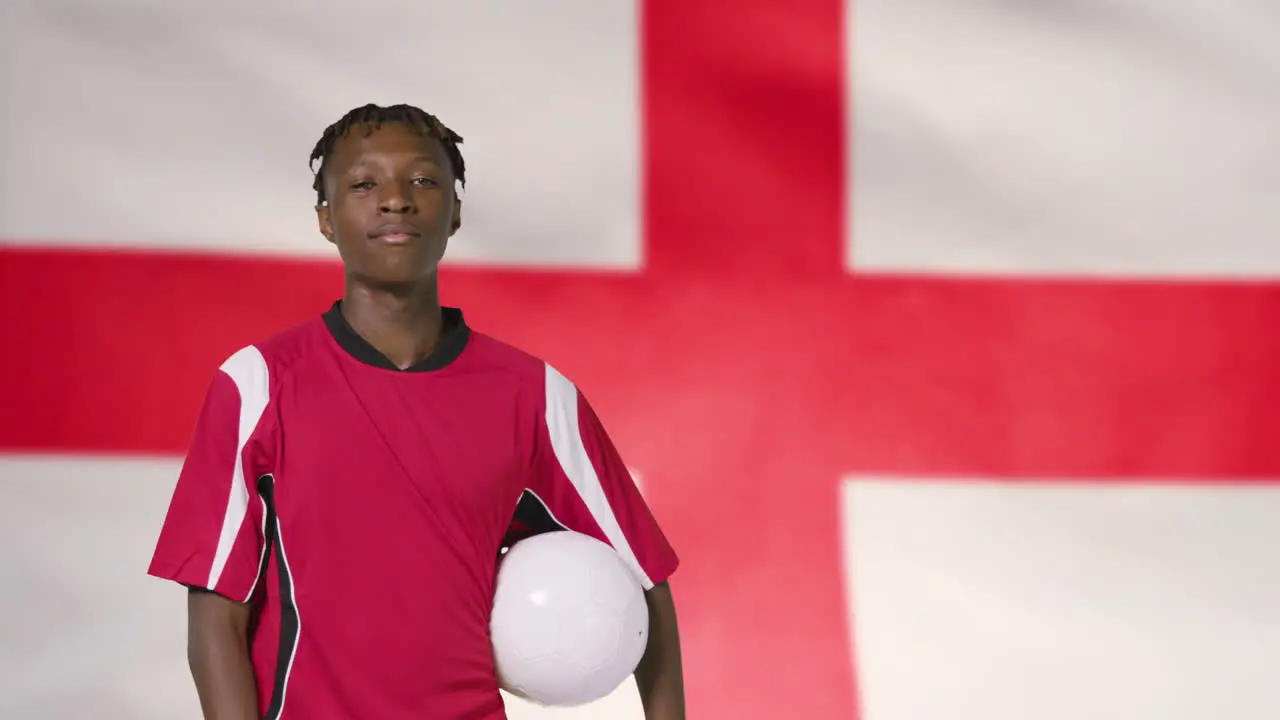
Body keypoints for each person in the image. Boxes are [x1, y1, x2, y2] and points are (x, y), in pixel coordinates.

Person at [147, 103, 686, 720]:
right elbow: (217, 612)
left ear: (454, 211)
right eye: (364, 183)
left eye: (423, 181)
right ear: (326, 218)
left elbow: (644, 581)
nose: (395, 201)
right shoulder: (257, 385)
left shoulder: (533, 396)